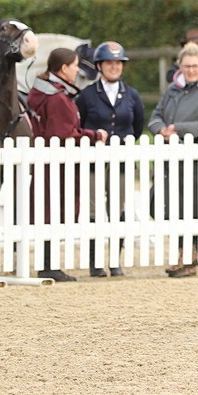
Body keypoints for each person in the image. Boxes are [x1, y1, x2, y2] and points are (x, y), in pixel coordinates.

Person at [27, 48, 108, 281]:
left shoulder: (44, 92)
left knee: (48, 212)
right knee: (55, 211)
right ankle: (49, 265)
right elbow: (64, 134)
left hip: (47, 163)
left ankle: (48, 264)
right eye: (74, 66)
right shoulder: (58, 98)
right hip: (59, 166)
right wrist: (94, 135)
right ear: (63, 69)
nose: (77, 70)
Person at [149, 43, 198, 278]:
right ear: (180, 67)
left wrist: (178, 129)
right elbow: (155, 116)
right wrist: (161, 129)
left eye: (195, 66)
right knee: (160, 206)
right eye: (186, 66)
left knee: (191, 211)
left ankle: (188, 258)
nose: (191, 70)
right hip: (170, 162)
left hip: (197, 166)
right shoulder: (173, 89)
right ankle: (184, 255)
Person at [75, 41, 145, 277]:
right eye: (109, 63)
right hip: (95, 161)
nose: (114, 67)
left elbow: (137, 127)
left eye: (118, 63)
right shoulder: (86, 95)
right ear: (99, 66)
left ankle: (115, 259)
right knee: (96, 209)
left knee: (119, 209)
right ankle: (96, 262)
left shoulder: (132, 95)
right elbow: (81, 123)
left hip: (122, 161)